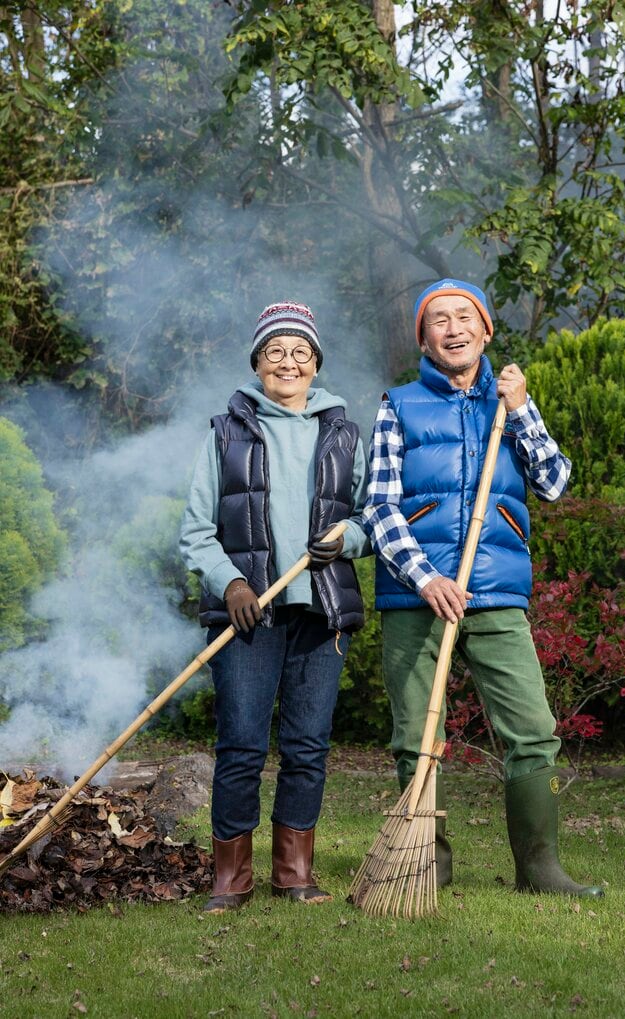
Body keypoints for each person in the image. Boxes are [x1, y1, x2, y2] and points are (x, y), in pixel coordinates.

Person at [362, 278, 603, 898]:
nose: (453, 328)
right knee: (416, 737)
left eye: (464, 317)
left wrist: (521, 409)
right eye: (437, 320)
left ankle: (540, 867)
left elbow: (552, 483)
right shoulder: (399, 405)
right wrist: (426, 578)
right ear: (423, 337)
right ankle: (427, 864)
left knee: (532, 731)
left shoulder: (510, 402)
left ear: (486, 330)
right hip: (416, 598)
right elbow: (381, 510)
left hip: (495, 594)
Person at [180, 300, 369, 912]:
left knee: (308, 745)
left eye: (300, 353)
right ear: (257, 363)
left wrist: (350, 538)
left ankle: (294, 875)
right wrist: (230, 582)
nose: (288, 362)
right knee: (240, 744)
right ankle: (230, 880)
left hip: (320, 613)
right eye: (275, 352)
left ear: (316, 364)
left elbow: (372, 517)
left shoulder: (343, 433)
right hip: (250, 615)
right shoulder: (225, 433)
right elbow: (195, 531)